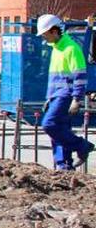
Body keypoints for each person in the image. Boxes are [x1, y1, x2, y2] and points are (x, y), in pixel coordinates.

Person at [37, 14, 93, 170]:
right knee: (60, 129)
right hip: (56, 95)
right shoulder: (56, 49)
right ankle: (64, 165)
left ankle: (82, 145)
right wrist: (49, 98)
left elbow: (80, 76)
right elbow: (55, 77)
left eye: (44, 34)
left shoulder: (71, 48)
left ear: (54, 31)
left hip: (66, 94)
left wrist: (77, 99)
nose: (43, 37)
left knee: (49, 124)